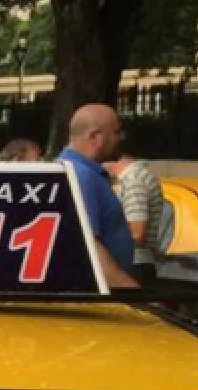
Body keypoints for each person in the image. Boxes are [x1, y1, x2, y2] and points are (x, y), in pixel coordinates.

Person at [57, 104, 137, 289]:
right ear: (95, 137)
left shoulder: (74, 171)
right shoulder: (80, 176)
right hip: (102, 294)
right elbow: (87, 246)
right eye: (116, 132)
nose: (121, 138)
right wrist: (133, 293)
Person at [107, 150, 166, 285]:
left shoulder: (133, 180)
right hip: (137, 263)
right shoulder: (136, 177)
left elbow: (137, 233)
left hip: (134, 263)